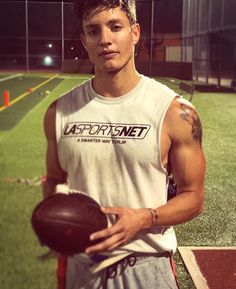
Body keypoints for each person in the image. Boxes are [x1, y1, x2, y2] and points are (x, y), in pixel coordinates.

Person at [43, 0, 206, 288]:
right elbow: (55, 179)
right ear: (84, 40)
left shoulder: (174, 112)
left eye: (115, 27)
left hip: (144, 266)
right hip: (81, 268)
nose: (105, 39)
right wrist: (56, 219)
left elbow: (193, 197)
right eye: (93, 31)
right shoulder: (60, 112)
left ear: (135, 32)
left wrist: (145, 218)